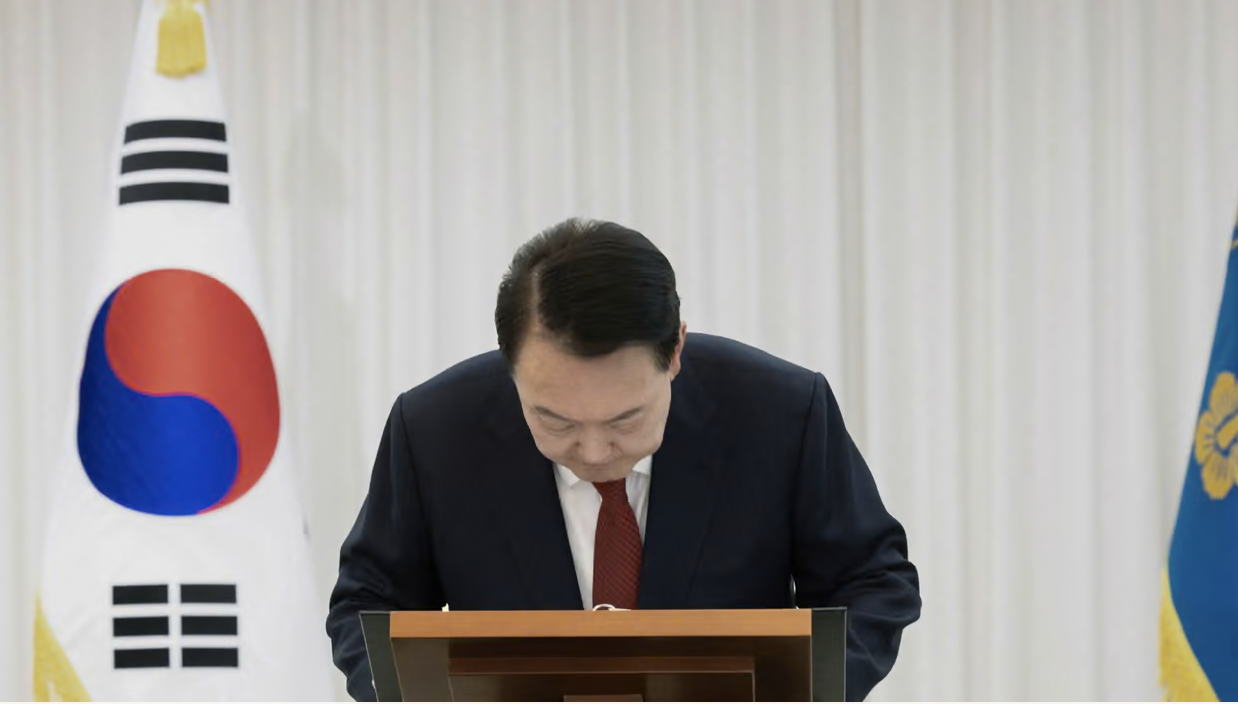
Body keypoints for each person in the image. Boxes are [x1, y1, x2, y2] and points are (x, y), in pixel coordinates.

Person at [326, 218, 921, 701]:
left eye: (625, 421)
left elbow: (871, 581)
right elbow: (367, 604)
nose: (593, 452)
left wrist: (798, 693)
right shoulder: (434, 428)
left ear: (676, 353)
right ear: (510, 366)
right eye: (555, 421)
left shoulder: (781, 412)